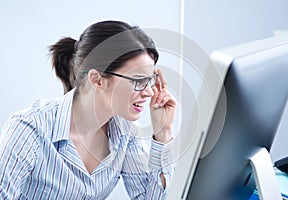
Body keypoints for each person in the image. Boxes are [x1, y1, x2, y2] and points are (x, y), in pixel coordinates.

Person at [0, 20, 176, 199]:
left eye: (150, 79)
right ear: (97, 80)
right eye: (138, 80)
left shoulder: (126, 132)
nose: (148, 92)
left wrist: (163, 132)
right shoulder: (29, 128)